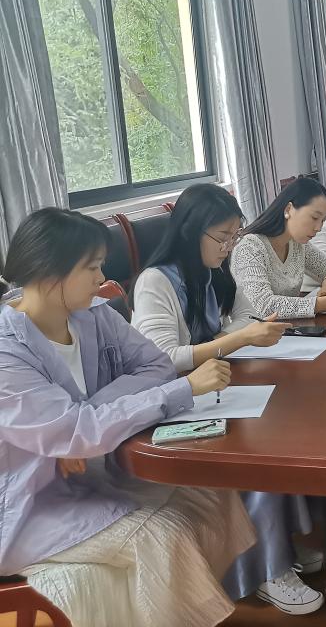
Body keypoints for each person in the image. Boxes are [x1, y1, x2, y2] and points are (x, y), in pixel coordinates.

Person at [0, 208, 255, 627]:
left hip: (96, 471)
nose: (102, 279)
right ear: (50, 273)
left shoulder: (94, 316)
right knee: (163, 533)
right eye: (92, 268)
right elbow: (81, 430)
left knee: (212, 492)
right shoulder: (8, 353)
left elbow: (156, 365)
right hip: (29, 506)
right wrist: (179, 391)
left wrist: (89, 415)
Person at [131, 184, 324, 615]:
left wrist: (239, 333)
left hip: (210, 391)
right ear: (190, 231)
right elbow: (162, 359)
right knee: (259, 448)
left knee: (285, 423)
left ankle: (280, 541)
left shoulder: (212, 272)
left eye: (235, 236)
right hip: (167, 404)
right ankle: (267, 569)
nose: (229, 246)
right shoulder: (155, 282)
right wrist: (236, 339)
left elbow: (240, 318)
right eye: (222, 237)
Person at [231, 178, 326, 320]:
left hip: (289, 328)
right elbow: (262, 306)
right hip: (254, 332)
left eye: (323, 220)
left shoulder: (296, 243)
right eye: (314, 218)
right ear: (288, 209)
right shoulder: (250, 247)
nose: (319, 228)